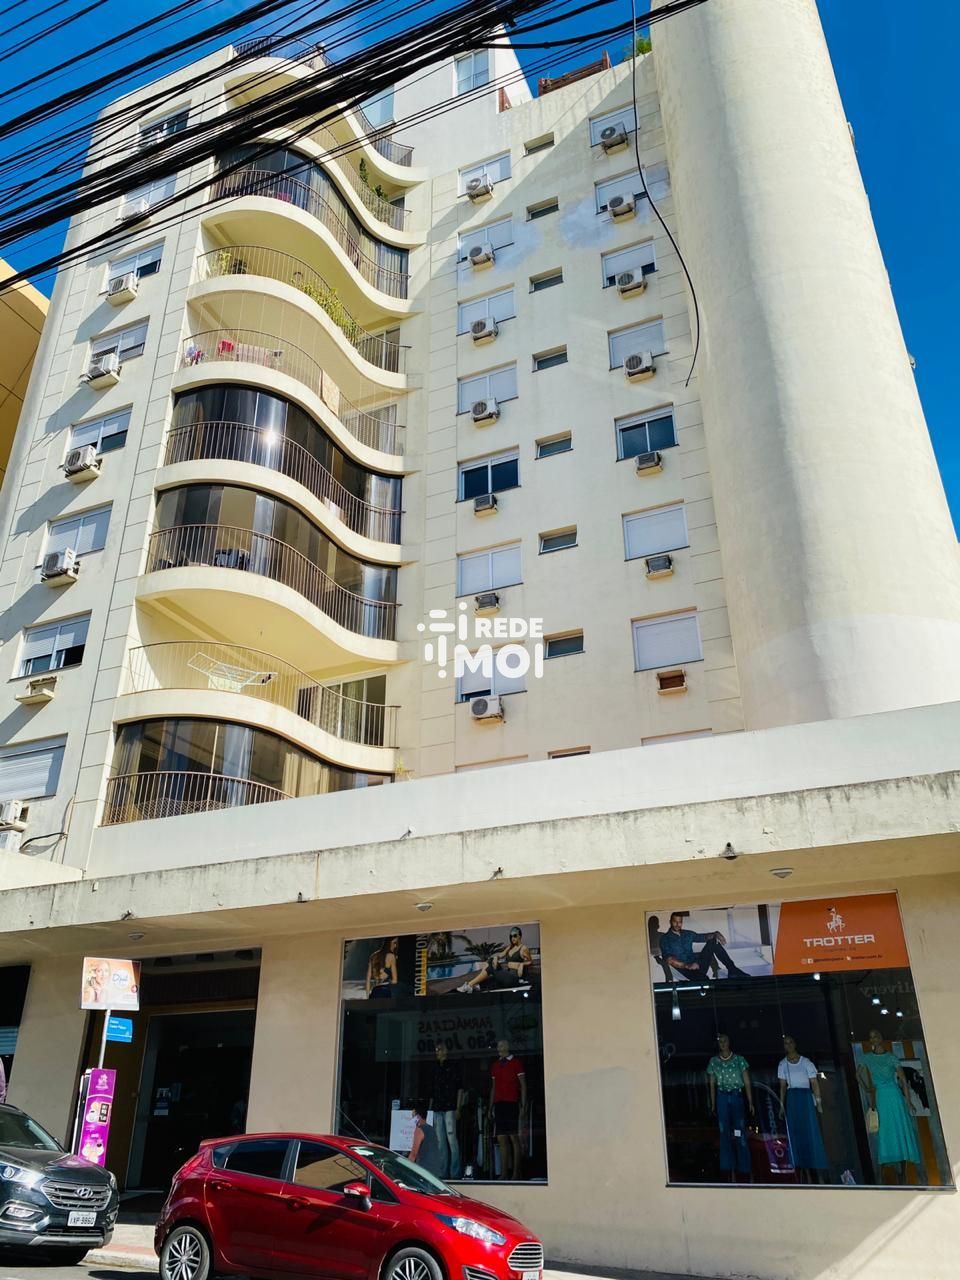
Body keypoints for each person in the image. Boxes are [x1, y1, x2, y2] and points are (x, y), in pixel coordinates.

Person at [857, 1028, 923, 1184]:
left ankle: (902, 1174)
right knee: (885, 1131)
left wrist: (908, 1101)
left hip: (894, 1097)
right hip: (881, 1096)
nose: (873, 1039)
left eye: (875, 1036)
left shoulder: (891, 1057)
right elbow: (857, 1075)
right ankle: (883, 1173)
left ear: (881, 1038)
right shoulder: (867, 1058)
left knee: (899, 1130)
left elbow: (903, 1079)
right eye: (870, 1037)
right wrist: (868, 1088)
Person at [778, 1035, 828, 1182]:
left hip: (805, 1098)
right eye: (785, 1043)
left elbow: (814, 1083)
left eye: (790, 1042)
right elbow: (782, 1087)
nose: (788, 1045)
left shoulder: (806, 1062)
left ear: (795, 1044)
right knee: (796, 1133)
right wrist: (781, 1105)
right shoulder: (782, 1064)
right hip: (792, 1099)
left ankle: (818, 1174)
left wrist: (818, 1102)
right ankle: (805, 1174)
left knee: (810, 1132)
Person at [707, 1033, 754, 1180]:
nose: (722, 1043)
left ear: (729, 1042)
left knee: (739, 1130)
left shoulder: (739, 1060)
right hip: (721, 1097)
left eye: (725, 1041)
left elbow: (746, 1081)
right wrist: (713, 1103)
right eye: (720, 1041)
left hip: (736, 1096)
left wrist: (750, 1101)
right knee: (724, 1132)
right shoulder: (714, 1062)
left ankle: (744, 1168)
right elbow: (711, 1084)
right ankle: (729, 1169)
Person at [660, 913, 750, 981]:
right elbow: (669, 959)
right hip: (684, 970)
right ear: (670, 922)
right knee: (704, 979)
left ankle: (732, 970)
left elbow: (703, 937)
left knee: (713, 941)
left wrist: (716, 934)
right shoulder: (665, 939)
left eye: (680, 922)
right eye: (675, 921)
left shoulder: (687, 934)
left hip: (697, 964)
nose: (677, 924)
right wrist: (687, 965)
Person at [489, 1039, 526, 1180]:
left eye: (501, 1045)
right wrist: (490, 1107)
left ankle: (516, 1172)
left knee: (513, 1137)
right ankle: (504, 1173)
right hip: (499, 1104)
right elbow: (493, 1087)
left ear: (507, 1047)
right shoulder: (495, 1065)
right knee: (501, 1138)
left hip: (512, 1103)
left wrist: (524, 1105)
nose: (499, 1048)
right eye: (498, 1046)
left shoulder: (516, 1063)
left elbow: (523, 1085)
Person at [457, 928, 532, 993]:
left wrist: (522, 964)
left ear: (520, 936)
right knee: (491, 962)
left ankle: (469, 985)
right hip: (507, 975)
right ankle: (473, 986)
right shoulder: (510, 947)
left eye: (515, 936)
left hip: (514, 978)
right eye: (511, 936)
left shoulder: (523, 948)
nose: (513, 938)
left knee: (490, 967)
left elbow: (530, 961)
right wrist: (496, 958)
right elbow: (501, 955)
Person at [429, 1045, 465, 1178]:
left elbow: (460, 1088)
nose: (437, 1052)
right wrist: (430, 1109)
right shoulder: (435, 1068)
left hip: (450, 1107)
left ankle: (455, 1173)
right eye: (436, 1050)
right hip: (437, 1108)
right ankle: (443, 1172)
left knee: (451, 1140)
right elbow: (432, 1091)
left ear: (445, 1051)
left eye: (440, 1049)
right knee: (440, 1141)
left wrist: (458, 1107)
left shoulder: (453, 1067)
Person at [409, 1102, 442, 1175]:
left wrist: (406, 1170)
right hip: (435, 1171)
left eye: (413, 1116)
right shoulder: (432, 1129)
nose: (412, 1118)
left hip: (424, 1171)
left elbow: (413, 1154)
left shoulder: (419, 1130)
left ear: (418, 1117)